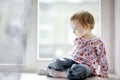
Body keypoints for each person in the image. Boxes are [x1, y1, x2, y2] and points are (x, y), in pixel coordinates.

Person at [38, 11, 109, 80]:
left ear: (87, 26)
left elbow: (102, 58)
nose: (73, 31)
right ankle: (47, 71)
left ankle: (63, 74)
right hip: (72, 61)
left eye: (75, 29)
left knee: (83, 70)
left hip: (87, 66)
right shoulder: (79, 39)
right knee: (58, 62)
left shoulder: (97, 42)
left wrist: (103, 71)